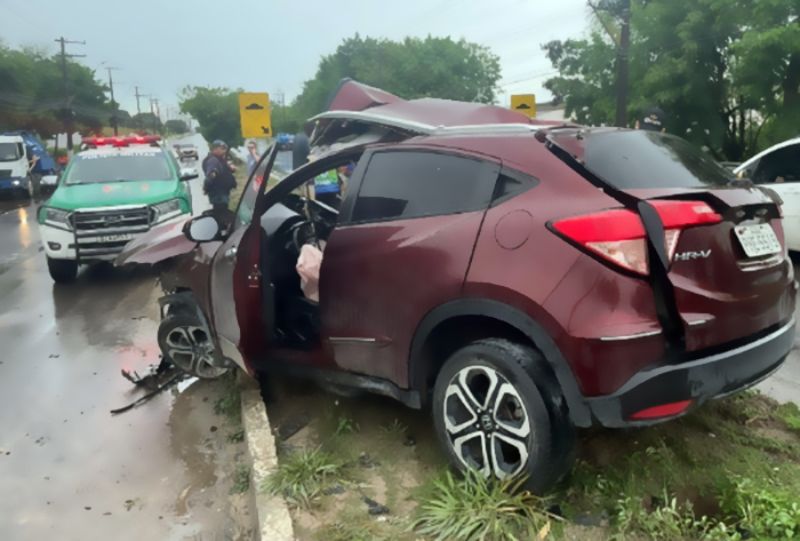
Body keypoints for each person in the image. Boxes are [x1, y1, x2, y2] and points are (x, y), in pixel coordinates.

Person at [202, 140, 237, 214]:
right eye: (222, 148)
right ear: (215, 149)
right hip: (218, 195)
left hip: (222, 192)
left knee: (222, 212)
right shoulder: (213, 161)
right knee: (221, 213)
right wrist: (206, 188)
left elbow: (223, 170)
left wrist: (230, 169)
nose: (224, 150)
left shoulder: (219, 159)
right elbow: (210, 176)